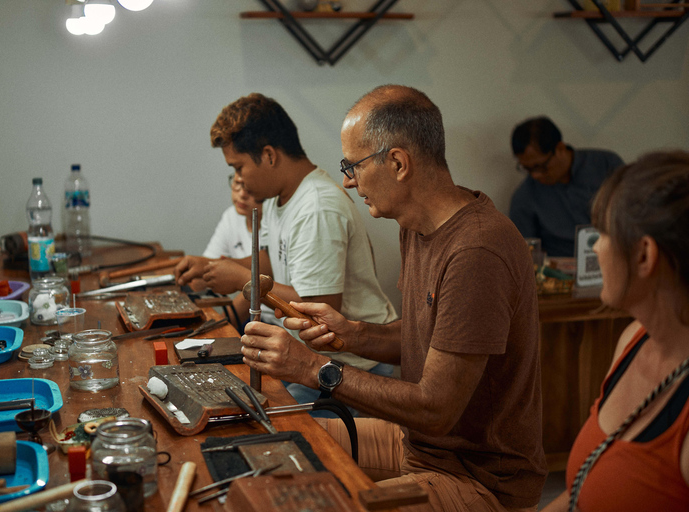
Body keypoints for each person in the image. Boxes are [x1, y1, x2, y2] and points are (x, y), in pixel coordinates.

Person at [240, 85, 547, 511]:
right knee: (273, 448)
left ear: (398, 162)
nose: (348, 181)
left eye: (353, 165)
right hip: (420, 446)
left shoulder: (477, 250)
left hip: (478, 476)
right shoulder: (416, 227)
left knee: (315, 506)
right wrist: (353, 335)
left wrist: (311, 367)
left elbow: (436, 408)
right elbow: (425, 334)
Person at [175, 92, 398, 410]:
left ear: (268, 155)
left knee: (252, 427)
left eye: (239, 167)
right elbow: (270, 260)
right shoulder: (278, 200)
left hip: (346, 372)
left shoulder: (316, 207)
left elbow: (319, 313)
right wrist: (211, 267)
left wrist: (241, 278)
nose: (238, 179)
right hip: (308, 364)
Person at [541, 150, 689, 512]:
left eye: (603, 232)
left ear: (644, 256)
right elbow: (583, 489)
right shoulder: (633, 339)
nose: (595, 245)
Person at [509, 116, 624, 257]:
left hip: (612, 258)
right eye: (527, 169)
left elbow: (632, 218)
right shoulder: (525, 197)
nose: (535, 175)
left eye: (540, 166)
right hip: (560, 272)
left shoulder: (606, 165)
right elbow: (523, 254)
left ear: (560, 148)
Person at [201, 173, 276, 329]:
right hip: (249, 318)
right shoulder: (231, 216)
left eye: (248, 187)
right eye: (237, 183)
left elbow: (249, 296)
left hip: (277, 322)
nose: (242, 194)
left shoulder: (276, 224)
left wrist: (215, 330)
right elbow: (207, 271)